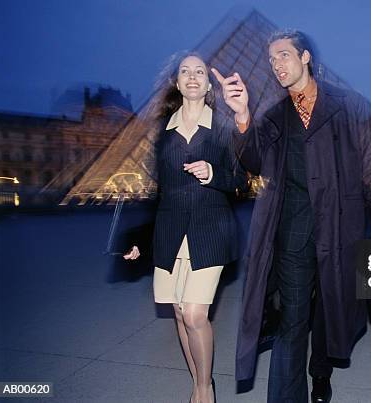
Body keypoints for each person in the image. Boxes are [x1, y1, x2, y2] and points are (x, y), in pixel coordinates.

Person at [212, 30, 371, 403]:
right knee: (292, 323)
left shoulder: (347, 104)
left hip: (341, 228)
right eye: (271, 59)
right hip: (292, 233)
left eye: (283, 55)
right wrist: (243, 116)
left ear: (306, 57)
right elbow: (254, 161)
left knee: (330, 312)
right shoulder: (274, 115)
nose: (276, 65)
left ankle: (321, 372)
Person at [124, 51, 243, 403]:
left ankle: (205, 389)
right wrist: (137, 239)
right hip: (170, 231)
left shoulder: (222, 127)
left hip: (211, 229)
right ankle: (196, 380)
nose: (193, 76)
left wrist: (213, 174)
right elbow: (152, 192)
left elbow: (240, 178)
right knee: (178, 311)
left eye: (200, 71)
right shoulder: (162, 134)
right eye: (185, 71)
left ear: (208, 85)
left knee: (194, 313)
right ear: (178, 83)